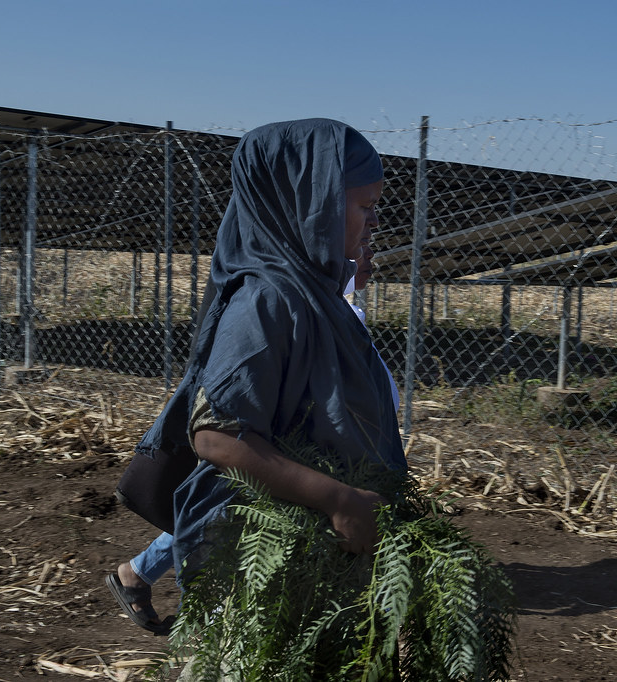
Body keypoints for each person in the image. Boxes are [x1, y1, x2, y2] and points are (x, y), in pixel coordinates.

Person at [108, 118, 405, 634]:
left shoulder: (310, 295)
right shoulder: (267, 300)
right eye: (363, 207)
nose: (375, 221)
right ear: (308, 206)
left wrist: (345, 282)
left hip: (304, 549)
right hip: (254, 553)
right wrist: (339, 498)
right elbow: (218, 439)